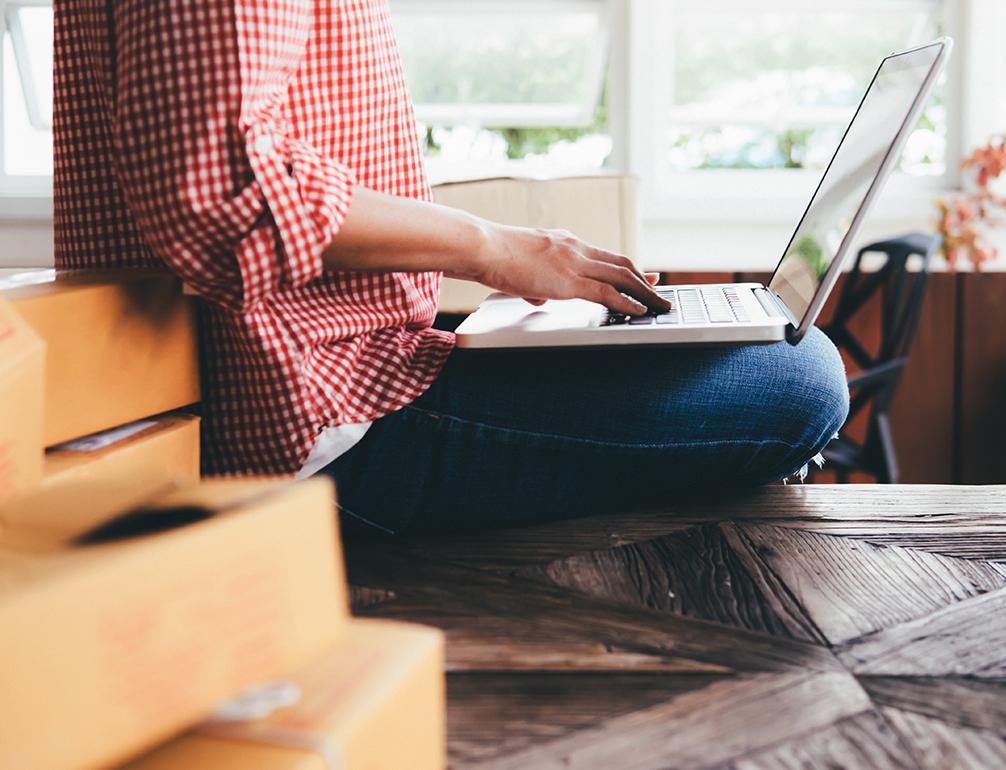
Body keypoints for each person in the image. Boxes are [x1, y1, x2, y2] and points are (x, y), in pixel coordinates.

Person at [55, 1, 848, 535]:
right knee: (800, 373)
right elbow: (215, 183)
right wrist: (497, 248)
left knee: (769, 359)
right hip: (308, 419)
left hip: (295, 382)